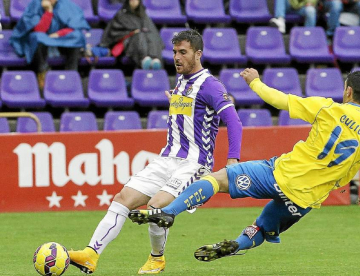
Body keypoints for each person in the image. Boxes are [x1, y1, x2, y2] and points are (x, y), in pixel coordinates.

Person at [130, 68, 360, 263]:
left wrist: (254, 81)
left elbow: (280, 100)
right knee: (263, 228)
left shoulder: (328, 108)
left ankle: (170, 212)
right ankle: (237, 245)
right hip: (305, 199)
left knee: (218, 178)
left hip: (279, 174)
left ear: (348, 91)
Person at [68, 29, 243, 274]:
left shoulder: (211, 85)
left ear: (198, 54)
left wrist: (233, 159)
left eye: (183, 52)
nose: (177, 57)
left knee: (157, 206)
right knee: (122, 200)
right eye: (174, 52)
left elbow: (234, 121)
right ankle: (90, 254)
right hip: (167, 158)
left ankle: (156, 258)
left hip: (194, 164)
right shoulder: (182, 82)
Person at [10, 0, 90, 89]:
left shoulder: (68, 5)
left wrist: (58, 34)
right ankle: (42, 72)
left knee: (77, 36)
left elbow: (74, 27)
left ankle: (72, 73)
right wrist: (48, 11)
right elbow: (39, 30)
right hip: (43, 41)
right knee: (36, 37)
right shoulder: (35, 5)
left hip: (61, 40)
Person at [99, 0, 164, 69]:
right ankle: (144, 59)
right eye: (132, 0)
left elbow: (151, 30)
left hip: (145, 41)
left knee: (151, 35)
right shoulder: (121, 14)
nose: (134, 2)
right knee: (139, 36)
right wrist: (132, 32)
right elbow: (115, 32)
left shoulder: (143, 15)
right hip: (129, 43)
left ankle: (154, 58)